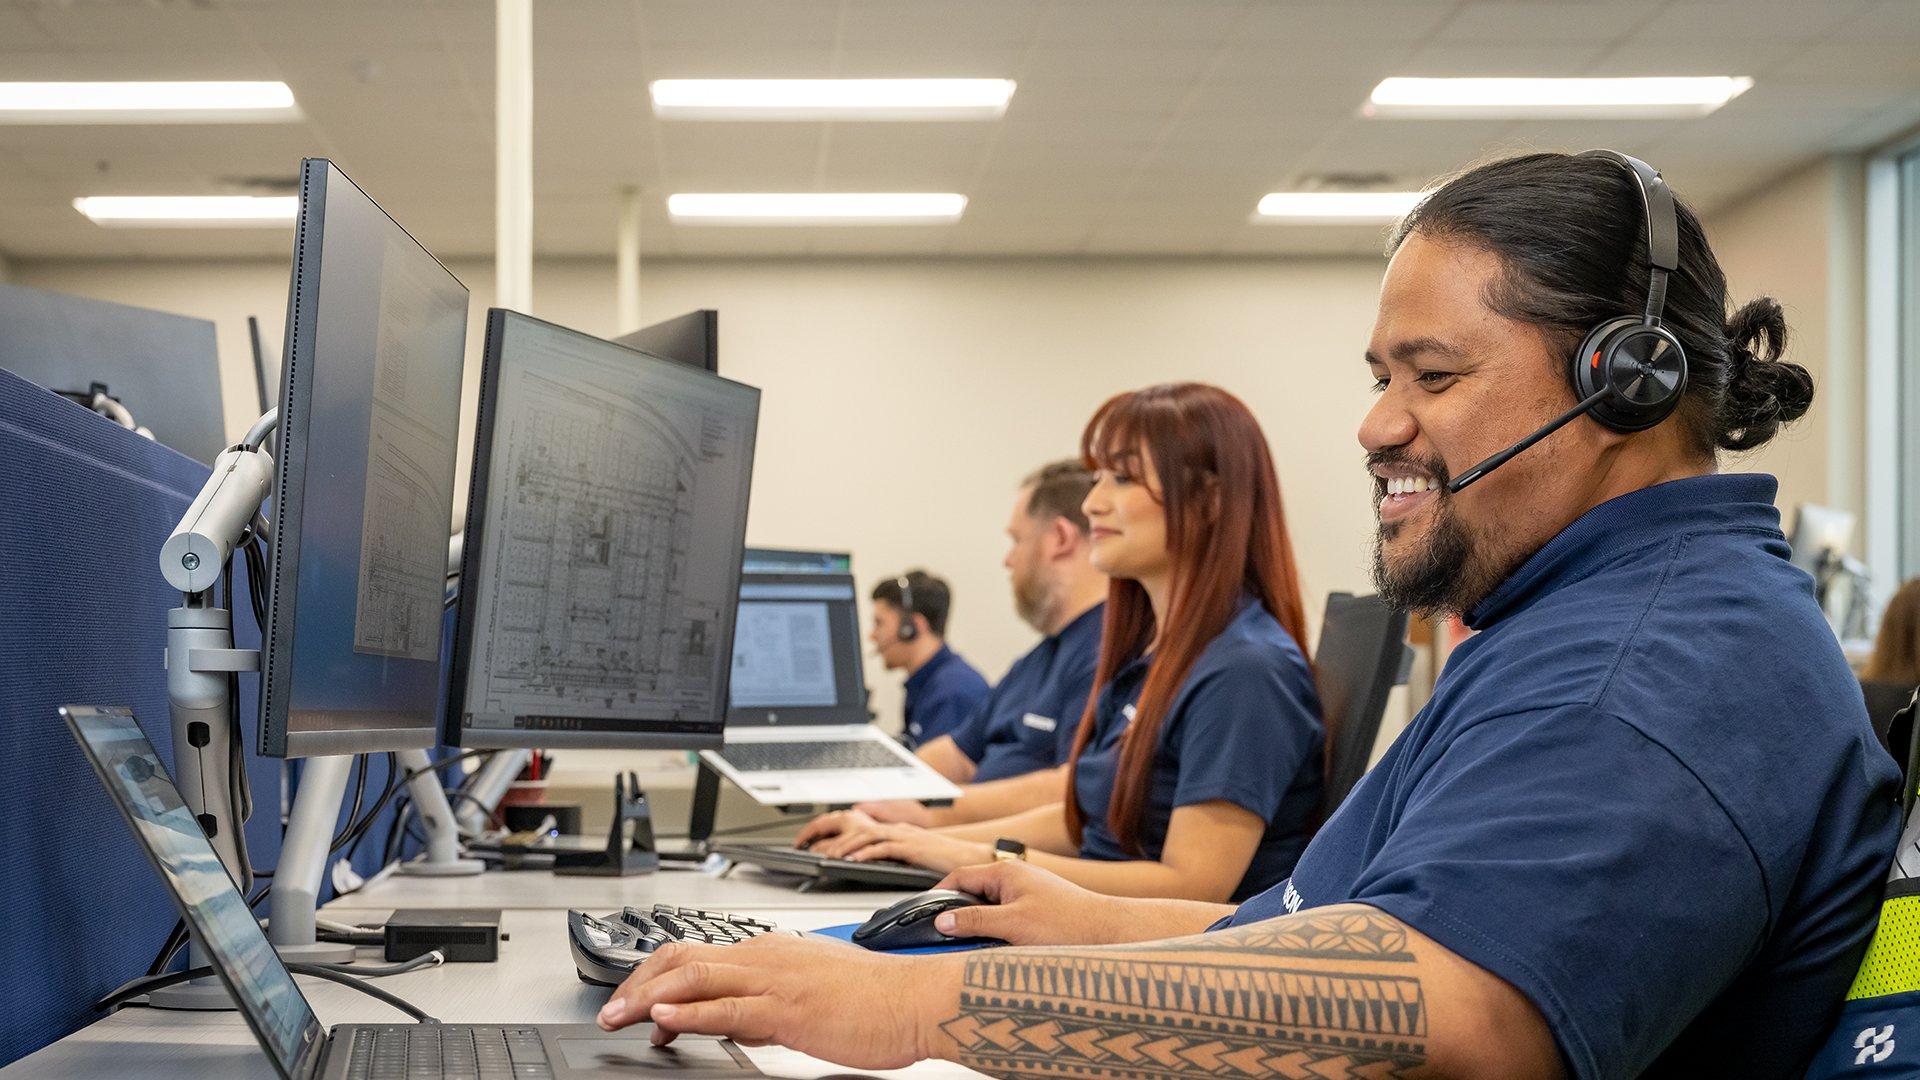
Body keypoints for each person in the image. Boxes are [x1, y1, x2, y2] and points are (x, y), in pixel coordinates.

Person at [595, 151, 1901, 1080]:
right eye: (1381, 375)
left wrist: (915, 1006)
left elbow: (1450, 1012)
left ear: (1628, 388)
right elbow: (1357, 924)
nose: (1377, 422)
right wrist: (1088, 922)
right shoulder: (1594, 620)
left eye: (1433, 376)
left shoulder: (1642, 673)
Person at [801, 383, 1326, 904]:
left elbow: (1192, 885)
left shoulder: (1246, 671)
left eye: (1122, 478)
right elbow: (1083, 821)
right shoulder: (1152, 660)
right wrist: (917, 839)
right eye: (1098, 478)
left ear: (1209, 500)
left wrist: (974, 858)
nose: (1093, 503)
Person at [854, 460, 1108, 828]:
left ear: (1060, 539)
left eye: (1017, 540)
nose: (1008, 560)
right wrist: (873, 789)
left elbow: (1070, 792)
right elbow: (957, 754)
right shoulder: (1036, 660)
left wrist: (929, 816)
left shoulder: (1104, 654)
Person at [870, 569, 990, 750]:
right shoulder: (929, 682)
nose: (872, 635)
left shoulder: (952, 694)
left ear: (912, 628)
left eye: (879, 623)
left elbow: (934, 775)